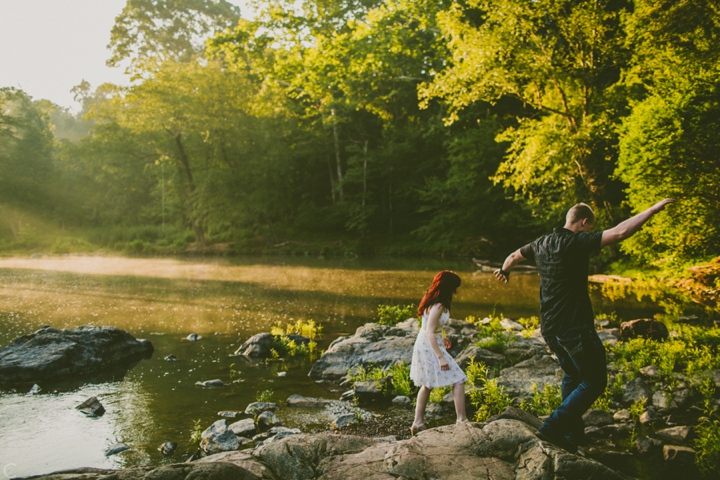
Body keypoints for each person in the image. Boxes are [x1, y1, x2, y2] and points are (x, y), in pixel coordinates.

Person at [493, 199, 674, 452]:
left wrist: (504, 270)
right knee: (595, 380)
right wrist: (652, 210)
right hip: (573, 326)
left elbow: (513, 256)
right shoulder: (576, 242)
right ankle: (552, 428)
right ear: (584, 222)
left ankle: (572, 435)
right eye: (590, 228)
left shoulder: (541, 243)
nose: (590, 233)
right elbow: (621, 231)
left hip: (550, 327)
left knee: (573, 375)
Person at [409, 270, 468, 435]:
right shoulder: (438, 305)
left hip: (429, 342)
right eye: (454, 287)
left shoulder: (435, 301)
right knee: (459, 379)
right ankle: (462, 420)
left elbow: (432, 328)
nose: (455, 291)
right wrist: (441, 358)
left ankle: (417, 423)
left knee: (427, 384)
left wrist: (443, 336)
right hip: (428, 344)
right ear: (448, 286)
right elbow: (429, 332)